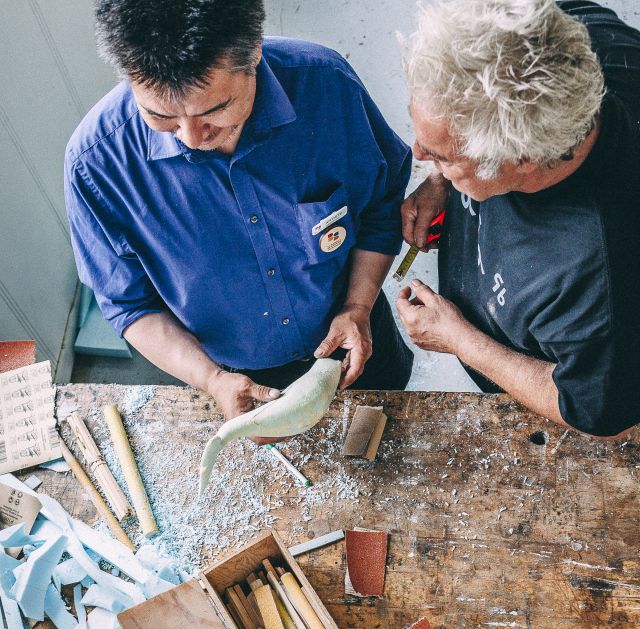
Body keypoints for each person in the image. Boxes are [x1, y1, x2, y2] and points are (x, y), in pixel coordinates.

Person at [65, 0, 413, 429]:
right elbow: (129, 304)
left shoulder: (327, 86)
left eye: (213, 110)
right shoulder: (95, 164)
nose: (192, 137)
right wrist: (213, 380)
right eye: (160, 115)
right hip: (231, 373)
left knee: (393, 435)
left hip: (356, 334)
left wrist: (358, 305)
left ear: (254, 55)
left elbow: (380, 205)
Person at [396, 0, 640, 438]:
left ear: (523, 160)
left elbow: (595, 411)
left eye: (442, 155)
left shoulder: (600, 282)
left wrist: (457, 340)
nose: (415, 154)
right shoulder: (557, 35)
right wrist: (441, 176)